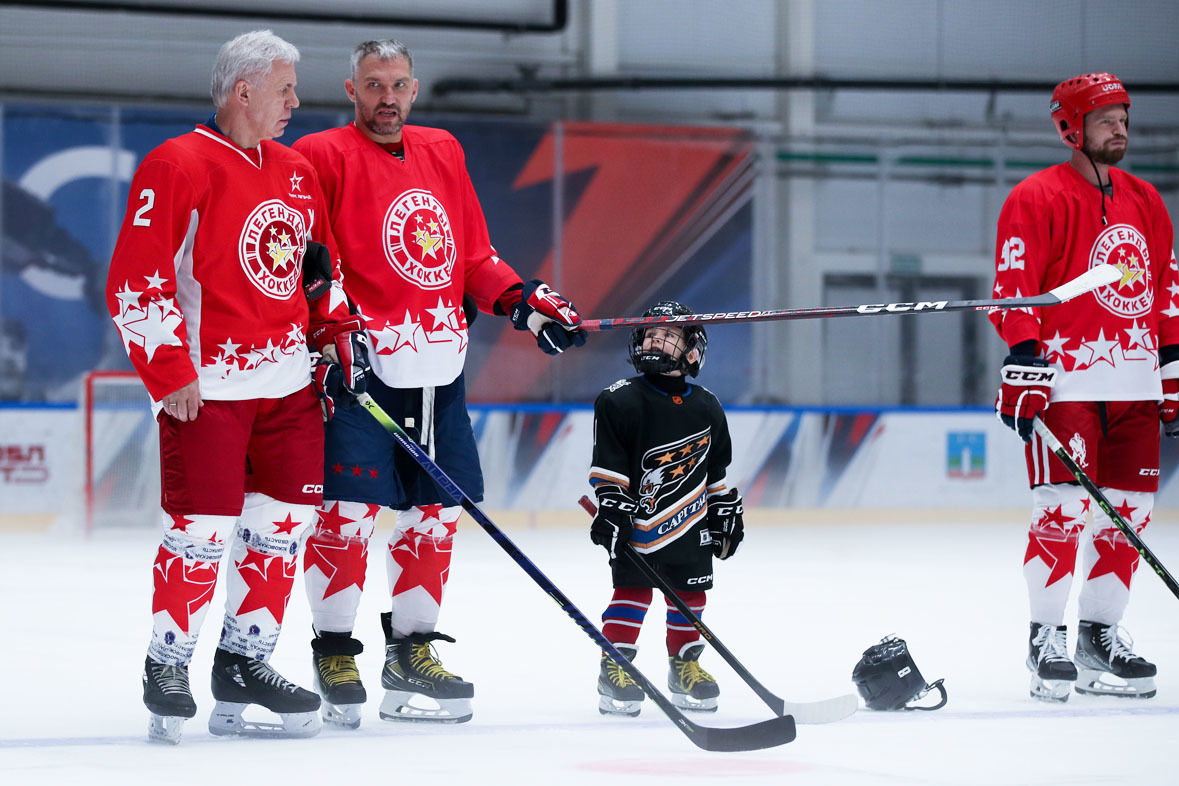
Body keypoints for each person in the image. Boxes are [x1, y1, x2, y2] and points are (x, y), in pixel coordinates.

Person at [293, 39, 586, 728]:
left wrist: (521, 298)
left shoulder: (442, 150)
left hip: (437, 367)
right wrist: (334, 331)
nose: (386, 97)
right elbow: (313, 264)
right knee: (347, 513)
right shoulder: (320, 156)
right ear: (351, 90)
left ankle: (412, 651)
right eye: (372, 85)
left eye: (397, 84)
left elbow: (471, 257)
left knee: (435, 514)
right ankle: (334, 649)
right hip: (361, 370)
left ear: (414, 89)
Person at [105, 30, 366, 743]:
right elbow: (136, 278)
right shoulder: (178, 162)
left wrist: (336, 334)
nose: (294, 101)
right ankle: (169, 663)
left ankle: (244, 661)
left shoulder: (293, 169)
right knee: (202, 531)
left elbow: (319, 273)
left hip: (286, 387)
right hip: (208, 386)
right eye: (284, 88)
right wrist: (171, 371)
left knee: (282, 527)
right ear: (242, 90)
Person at [992, 72, 1178, 703]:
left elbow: (1165, 293)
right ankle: (1046, 635)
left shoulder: (1147, 200)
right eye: (1105, 120)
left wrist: (1172, 370)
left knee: (1130, 515)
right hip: (1066, 384)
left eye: (1123, 118)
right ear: (1071, 127)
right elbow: (1015, 285)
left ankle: (1101, 636)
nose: (1119, 129)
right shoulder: (1035, 197)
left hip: (1136, 385)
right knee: (1062, 511)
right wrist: (1024, 358)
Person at [587, 301, 744, 716]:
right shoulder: (618, 400)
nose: (655, 339)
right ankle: (615, 666)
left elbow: (716, 471)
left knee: (691, 593)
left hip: (691, 522)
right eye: (651, 333)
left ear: (693, 350)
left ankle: (685, 666)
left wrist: (726, 509)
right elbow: (608, 466)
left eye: (668, 334)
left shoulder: (708, 405)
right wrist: (611, 508)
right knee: (632, 592)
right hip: (640, 521)